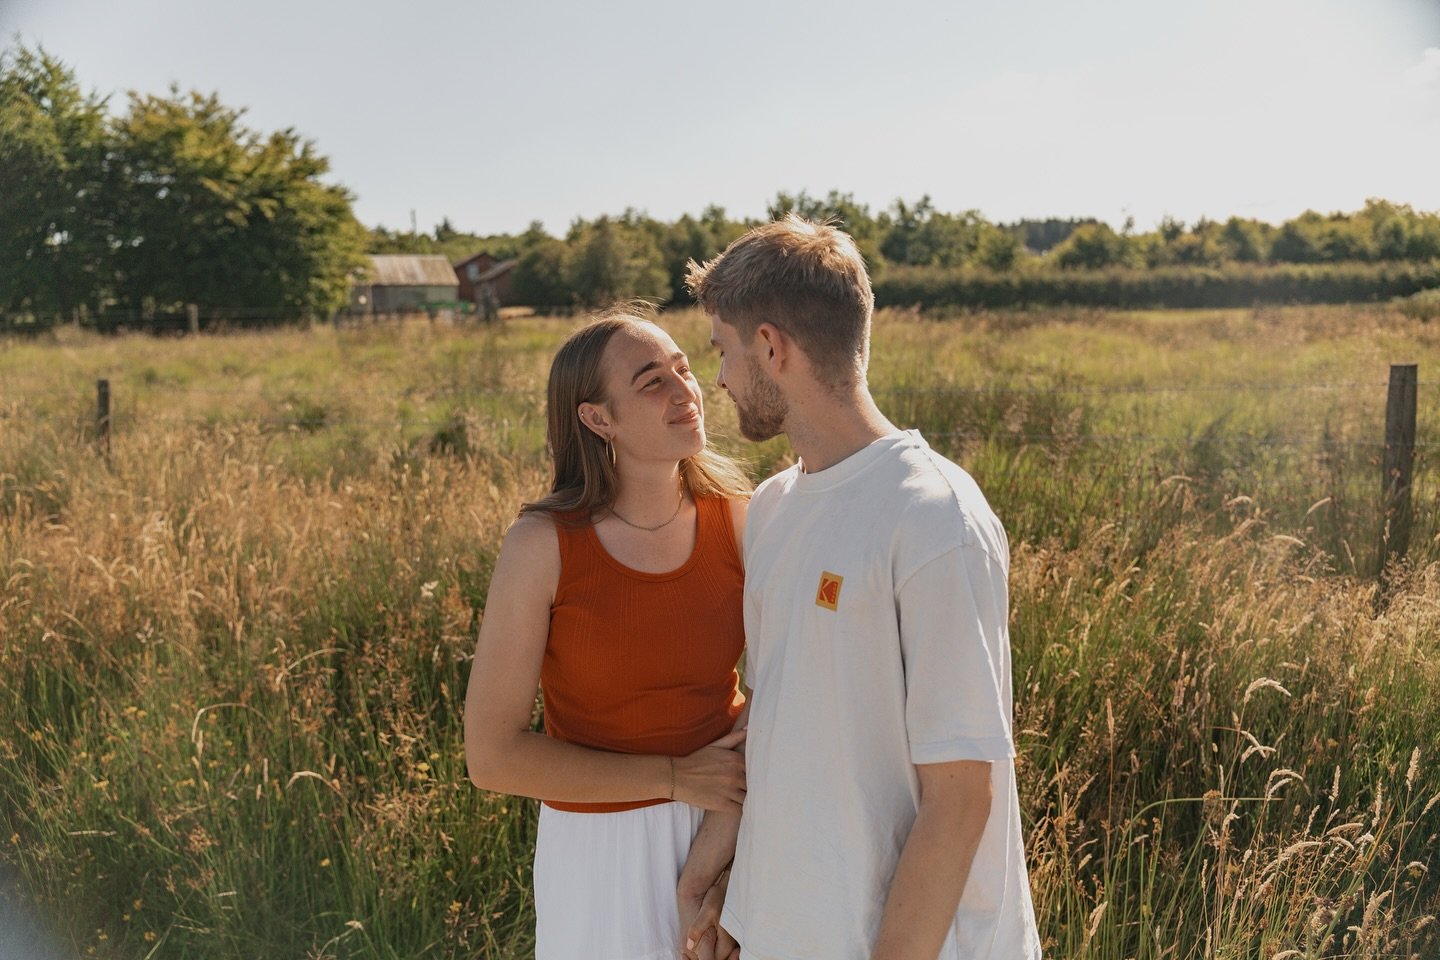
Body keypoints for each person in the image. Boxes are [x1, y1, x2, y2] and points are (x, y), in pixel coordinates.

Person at [679, 216, 1042, 960]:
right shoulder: (775, 509)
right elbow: (788, 730)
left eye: (723, 351)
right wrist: (740, 903)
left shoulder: (934, 516)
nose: (717, 378)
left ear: (772, 347)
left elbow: (959, 799)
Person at [463, 309, 752, 960]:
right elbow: (491, 757)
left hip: (729, 825)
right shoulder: (542, 545)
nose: (686, 391)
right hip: (597, 853)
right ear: (597, 419)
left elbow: (801, 678)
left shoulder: (740, 519)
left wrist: (732, 828)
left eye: (684, 368)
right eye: (653, 381)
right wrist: (676, 777)